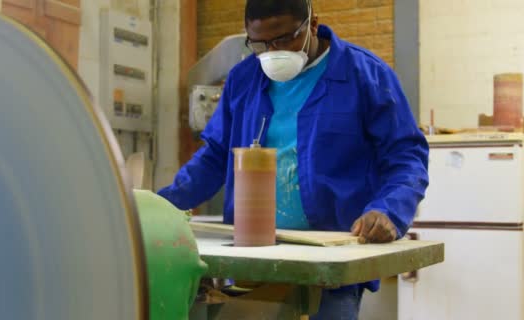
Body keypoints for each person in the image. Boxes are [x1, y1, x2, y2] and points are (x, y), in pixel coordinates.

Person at [158, 0, 429, 318]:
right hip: (252, 259)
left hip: (330, 266)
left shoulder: (365, 75)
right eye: (259, 43)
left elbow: (407, 156)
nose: (272, 52)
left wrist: (388, 211)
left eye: (284, 39)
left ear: (313, 24)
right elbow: (215, 157)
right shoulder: (243, 79)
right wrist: (160, 207)